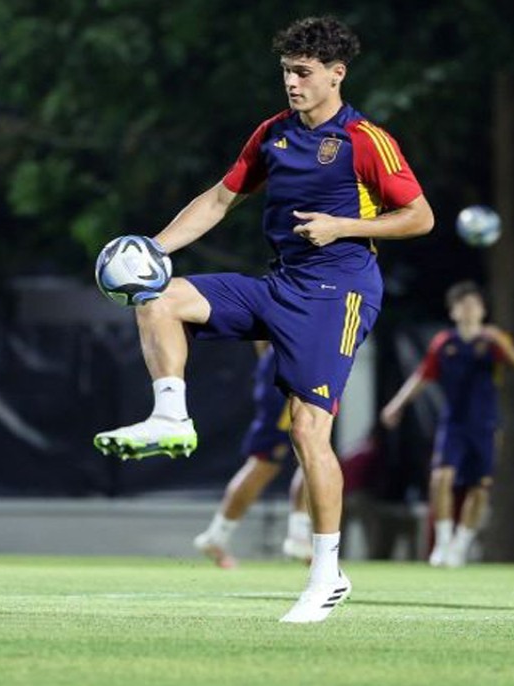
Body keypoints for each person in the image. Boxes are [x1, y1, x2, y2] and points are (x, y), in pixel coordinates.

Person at [94, 16, 434, 623]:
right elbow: (221, 198)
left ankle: (327, 574)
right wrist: (157, 249)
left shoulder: (365, 140)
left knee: (307, 432)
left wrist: (343, 227)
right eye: (286, 72)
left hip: (340, 291)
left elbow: (420, 217)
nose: (292, 83)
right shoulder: (273, 134)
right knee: (160, 296)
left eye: (303, 73)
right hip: (279, 284)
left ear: (337, 73)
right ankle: (170, 416)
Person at [379, 281, 514, 568]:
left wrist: (502, 342)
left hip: (485, 425)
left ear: (483, 310)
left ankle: (462, 543)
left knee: (479, 488)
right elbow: (422, 376)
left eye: (474, 304)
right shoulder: (444, 343)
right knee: (440, 479)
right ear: (454, 311)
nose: (469, 309)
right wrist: (397, 404)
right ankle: (444, 542)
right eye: (463, 305)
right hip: (454, 424)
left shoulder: (492, 342)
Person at [193, 342, 313, 568]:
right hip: (293, 370)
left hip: (296, 368)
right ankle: (298, 534)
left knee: (308, 454)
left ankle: (217, 535)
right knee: (276, 459)